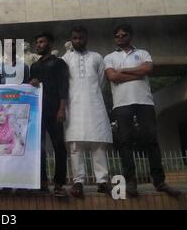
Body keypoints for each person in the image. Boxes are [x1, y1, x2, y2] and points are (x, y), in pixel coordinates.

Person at [104, 24, 180, 198]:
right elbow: (112, 77)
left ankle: (159, 181)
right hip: (122, 104)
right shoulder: (110, 57)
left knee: (151, 140)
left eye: (124, 34)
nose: (121, 37)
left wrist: (123, 70)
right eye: (117, 35)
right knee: (125, 142)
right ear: (115, 38)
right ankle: (130, 182)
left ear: (130, 36)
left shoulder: (143, 53)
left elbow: (148, 69)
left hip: (144, 102)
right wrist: (138, 74)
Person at [62, 26, 113, 198]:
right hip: (73, 106)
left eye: (81, 38)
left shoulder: (97, 57)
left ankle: (102, 181)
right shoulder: (65, 59)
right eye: (75, 38)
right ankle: (78, 181)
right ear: (71, 39)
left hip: (94, 104)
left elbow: (101, 82)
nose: (78, 41)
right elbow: (64, 84)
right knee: (75, 145)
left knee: (98, 144)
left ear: (86, 39)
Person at [30, 32, 69, 197]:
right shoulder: (34, 66)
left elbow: (63, 86)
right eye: (37, 42)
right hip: (38, 112)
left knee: (59, 146)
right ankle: (42, 182)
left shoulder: (59, 63)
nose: (38, 45)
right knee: (39, 148)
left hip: (55, 111)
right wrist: (31, 83)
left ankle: (59, 183)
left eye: (42, 42)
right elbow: (31, 89)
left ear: (50, 44)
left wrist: (62, 108)